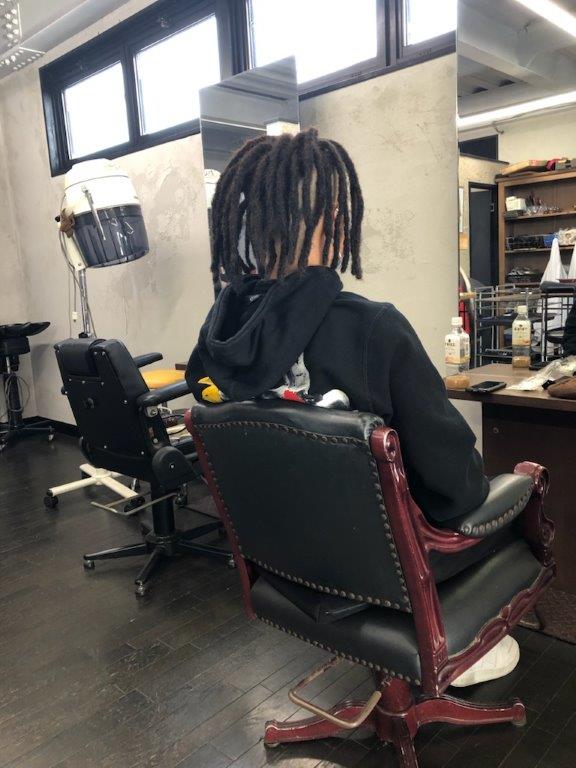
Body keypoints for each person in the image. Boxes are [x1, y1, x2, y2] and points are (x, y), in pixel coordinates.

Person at [186, 128, 519, 686]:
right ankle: (453, 645)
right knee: (517, 490)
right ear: (337, 221)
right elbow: (456, 490)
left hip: (284, 568)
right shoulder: (372, 329)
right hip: (391, 577)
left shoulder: (213, 347)